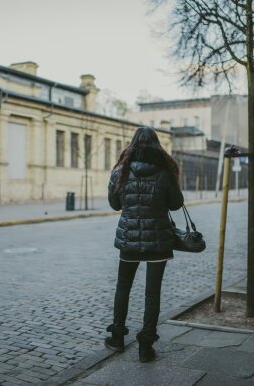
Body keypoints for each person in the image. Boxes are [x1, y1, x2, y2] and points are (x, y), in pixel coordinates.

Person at [105, 127, 183, 363]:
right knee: (152, 293)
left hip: (129, 240)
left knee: (123, 287)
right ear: (157, 145)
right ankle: (146, 346)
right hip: (158, 242)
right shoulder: (165, 171)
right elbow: (176, 204)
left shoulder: (120, 171)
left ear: (133, 144)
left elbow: (115, 205)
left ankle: (117, 337)